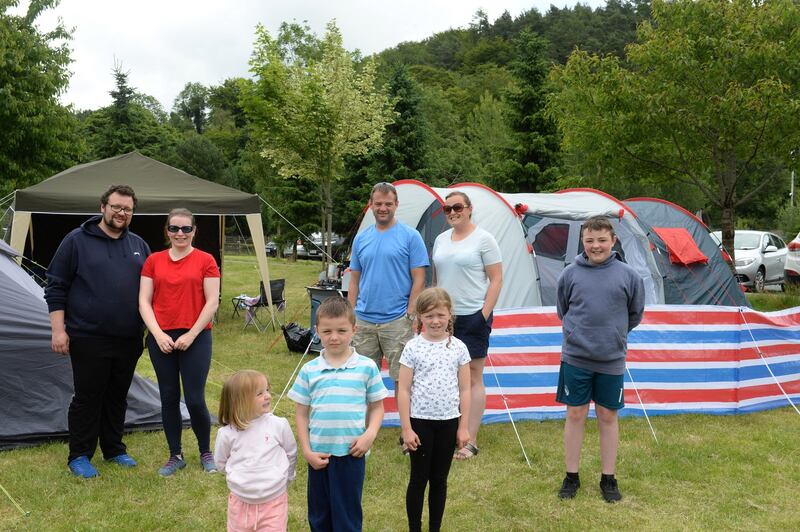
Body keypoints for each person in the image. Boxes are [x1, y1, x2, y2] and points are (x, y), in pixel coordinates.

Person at [45, 184, 150, 478]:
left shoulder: (139, 246)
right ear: (102, 207)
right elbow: (56, 288)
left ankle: (114, 449)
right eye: (116, 207)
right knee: (88, 397)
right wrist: (58, 330)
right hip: (88, 336)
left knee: (117, 396)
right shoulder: (76, 241)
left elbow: (150, 292)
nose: (121, 213)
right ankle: (79, 454)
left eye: (127, 209)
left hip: (129, 338)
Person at [555, 216, 644, 503]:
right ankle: (571, 476)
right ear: (583, 242)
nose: (596, 246)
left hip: (611, 358)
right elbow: (563, 309)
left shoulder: (629, 276)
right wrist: (579, 332)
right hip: (576, 356)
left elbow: (635, 314)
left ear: (613, 241)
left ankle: (608, 477)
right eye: (590, 240)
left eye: (602, 240)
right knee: (576, 414)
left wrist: (614, 335)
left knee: (607, 415)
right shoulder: (569, 274)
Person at [288, 297, 387, 532]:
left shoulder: (366, 367)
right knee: (320, 516)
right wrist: (306, 451)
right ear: (317, 331)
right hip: (319, 455)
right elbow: (301, 414)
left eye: (342, 330)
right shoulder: (309, 370)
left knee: (347, 516)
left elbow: (377, 407)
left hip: (352, 453)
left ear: (354, 329)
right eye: (327, 331)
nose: (334, 337)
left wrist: (369, 435)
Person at [139, 208, 221, 476]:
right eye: (174, 228)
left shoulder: (206, 260)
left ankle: (205, 451)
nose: (180, 234)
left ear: (194, 231)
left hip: (195, 336)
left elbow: (212, 301)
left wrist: (191, 334)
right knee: (169, 397)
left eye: (186, 228)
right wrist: (158, 334)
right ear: (167, 231)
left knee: (195, 399)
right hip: (161, 338)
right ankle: (175, 455)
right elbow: (144, 301)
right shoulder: (153, 261)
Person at [431, 191, 502, 461]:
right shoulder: (439, 240)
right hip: (443, 318)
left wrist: (483, 314)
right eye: (447, 208)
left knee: (473, 376)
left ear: (470, 209)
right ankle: (451, 433)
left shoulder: (484, 239)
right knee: (446, 375)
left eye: (457, 207)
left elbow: (496, 280)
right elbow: (438, 278)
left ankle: (470, 440)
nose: (452, 212)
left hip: (473, 314)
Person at [397, 287, 471, 532]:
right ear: (420, 317)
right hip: (420, 422)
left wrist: (463, 427)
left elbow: (466, 390)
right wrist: (406, 429)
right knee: (418, 479)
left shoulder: (459, 348)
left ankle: (435, 528)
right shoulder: (413, 348)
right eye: (429, 316)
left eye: (440, 314)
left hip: (449, 422)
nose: (435, 321)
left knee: (440, 480)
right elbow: (404, 390)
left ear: (450, 314)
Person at [347, 182, 429, 387]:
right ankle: (367, 421)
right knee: (362, 381)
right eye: (378, 204)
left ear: (396, 204)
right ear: (370, 205)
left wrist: (411, 313)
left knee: (403, 381)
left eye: (388, 204)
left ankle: (405, 421)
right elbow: (354, 279)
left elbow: (420, 278)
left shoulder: (411, 236)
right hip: (364, 320)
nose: (383, 208)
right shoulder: (361, 239)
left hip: (397, 320)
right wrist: (350, 314)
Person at [215, 370, 297, 532]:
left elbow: (291, 453)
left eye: (267, 390)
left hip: (274, 501)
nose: (267, 396)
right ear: (239, 402)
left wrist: (287, 476)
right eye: (259, 393)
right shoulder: (227, 433)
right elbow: (221, 462)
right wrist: (241, 478)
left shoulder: (278, 425)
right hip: (240, 503)